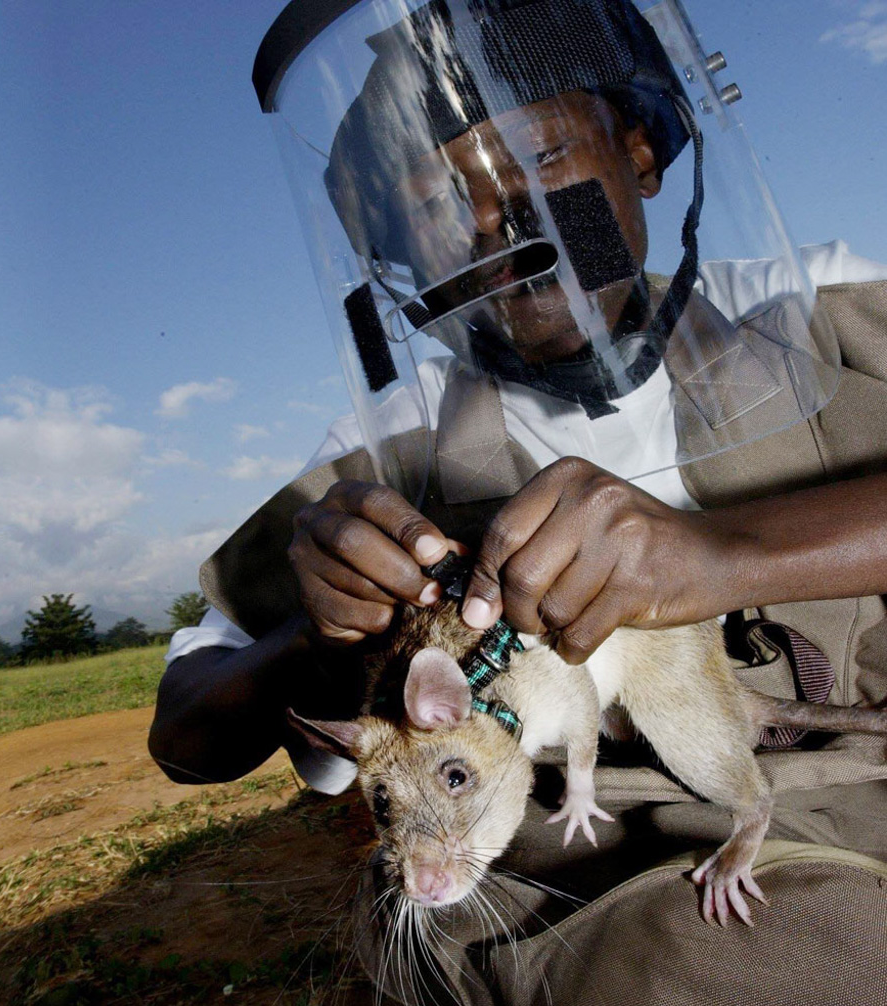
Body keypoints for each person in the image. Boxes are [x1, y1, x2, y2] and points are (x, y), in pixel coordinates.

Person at [151, 1, 887, 1001]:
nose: (501, 221)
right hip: (561, 886)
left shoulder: (814, 317)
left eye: (540, 160)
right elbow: (188, 732)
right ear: (403, 258)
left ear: (640, 153)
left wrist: (727, 554)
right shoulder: (388, 457)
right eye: (439, 208)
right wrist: (329, 637)